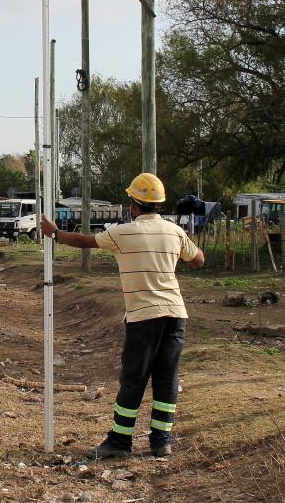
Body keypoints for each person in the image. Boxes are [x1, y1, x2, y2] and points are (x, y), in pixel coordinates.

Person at [40, 173, 204, 459]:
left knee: (134, 378)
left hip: (144, 317)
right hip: (176, 314)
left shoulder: (123, 233)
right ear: (159, 204)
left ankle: (120, 441)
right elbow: (199, 259)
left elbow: (85, 241)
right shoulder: (175, 232)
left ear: (134, 205)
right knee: (167, 378)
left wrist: (55, 233)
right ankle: (160, 442)